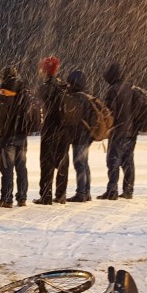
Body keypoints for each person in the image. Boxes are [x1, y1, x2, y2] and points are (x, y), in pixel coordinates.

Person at [0, 66, 37, 208]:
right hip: (22, 135)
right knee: (21, 167)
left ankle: (6, 198)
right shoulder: (25, 91)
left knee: (7, 168)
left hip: (8, 135)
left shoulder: (4, 91)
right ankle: (22, 197)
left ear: (4, 77)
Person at [98, 63, 138, 200]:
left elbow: (110, 112)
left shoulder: (113, 90)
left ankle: (112, 190)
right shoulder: (130, 88)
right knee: (128, 161)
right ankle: (128, 190)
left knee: (113, 161)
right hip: (131, 131)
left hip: (118, 131)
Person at [34, 56, 69, 205]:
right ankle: (61, 195)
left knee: (47, 163)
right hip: (64, 129)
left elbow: (39, 107)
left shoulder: (45, 87)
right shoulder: (63, 86)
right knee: (62, 162)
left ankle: (46, 195)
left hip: (50, 129)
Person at [62, 69, 95, 202]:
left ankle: (81, 192)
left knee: (79, 164)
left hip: (79, 137)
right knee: (84, 164)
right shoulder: (87, 97)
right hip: (87, 136)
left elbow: (72, 119)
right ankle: (86, 191)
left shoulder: (76, 98)